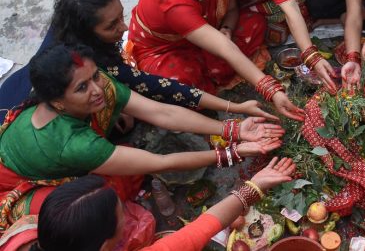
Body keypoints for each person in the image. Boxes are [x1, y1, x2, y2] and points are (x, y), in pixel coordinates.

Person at [0, 44, 283, 231]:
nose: (97, 89)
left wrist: (232, 129)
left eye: (96, 76)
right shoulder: (71, 143)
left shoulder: (96, 86)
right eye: (82, 87)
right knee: (95, 214)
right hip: (22, 184)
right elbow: (158, 162)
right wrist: (234, 153)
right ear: (58, 102)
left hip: (66, 156)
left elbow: (162, 113)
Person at [128, 0, 304, 121]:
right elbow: (225, 48)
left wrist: (227, 29)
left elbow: (231, 9)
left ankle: (212, 73)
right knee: (179, 83)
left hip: (207, 35)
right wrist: (271, 90)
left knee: (254, 23)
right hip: (165, 52)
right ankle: (209, 77)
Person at [51, 0, 277, 121]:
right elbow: (161, 93)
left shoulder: (78, 33)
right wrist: (234, 113)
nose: (124, 27)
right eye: (112, 25)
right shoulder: (96, 67)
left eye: (121, 16)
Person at [4, 157, 295, 251]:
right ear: (105, 245)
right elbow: (191, 236)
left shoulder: (30, 230)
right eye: (122, 217)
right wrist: (253, 188)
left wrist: (254, 186)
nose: (129, 217)